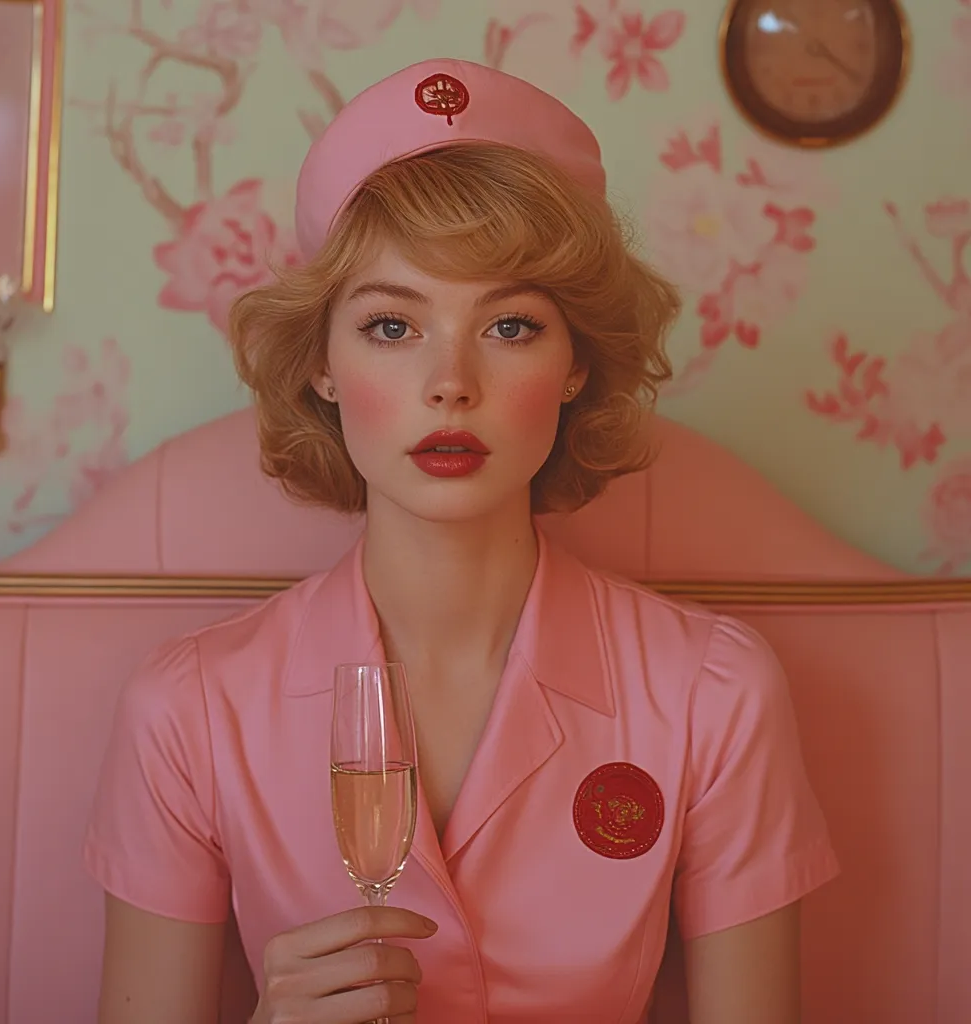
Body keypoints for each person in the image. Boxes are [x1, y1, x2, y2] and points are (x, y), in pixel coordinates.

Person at [84, 58, 840, 1024]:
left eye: (511, 325)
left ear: (575, 366)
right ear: (321, 364)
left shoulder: (714, 692)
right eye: (392, 325)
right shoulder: (188, 711)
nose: (450, 382)